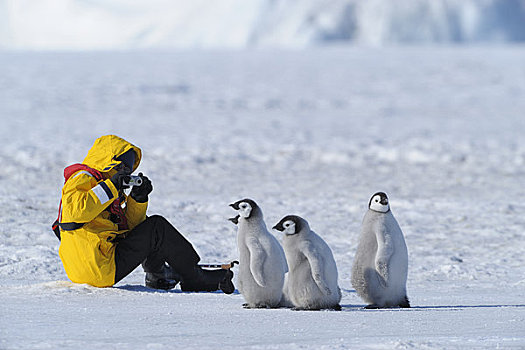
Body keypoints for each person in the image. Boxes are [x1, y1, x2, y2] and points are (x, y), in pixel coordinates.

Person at [54, 134, 234, 293]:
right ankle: (194, 277)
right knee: (157, 227)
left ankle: (158, 276)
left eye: (129, 170)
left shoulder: (104, 188)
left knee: (151, 228)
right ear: (108, 161)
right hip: (97, 267)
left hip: (93, 266)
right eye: (123, 167)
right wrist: (111, 186)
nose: (126, 173)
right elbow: (75, 213)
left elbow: (130, 230)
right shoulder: (84, 177)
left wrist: (137, 200)